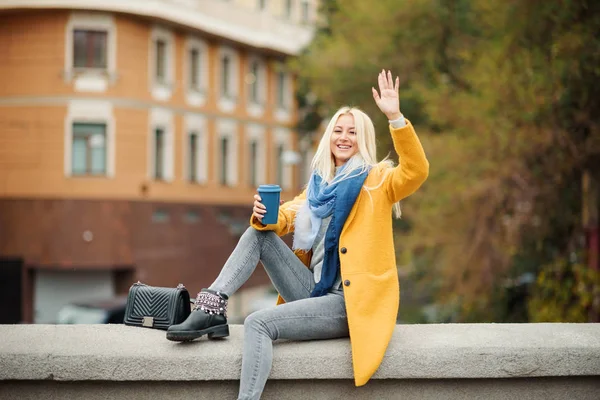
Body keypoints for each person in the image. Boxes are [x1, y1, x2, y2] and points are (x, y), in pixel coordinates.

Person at [166, 69, 429, 399]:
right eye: (338, 130)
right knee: (257, 233)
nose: (344, 137)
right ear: (329, 137)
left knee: (257, 323)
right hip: (315, 292)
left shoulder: (378, 181)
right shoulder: (319, 188)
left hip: (347, 303)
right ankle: (211, 306)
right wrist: (266, 215)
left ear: (363, 140)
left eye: (352, 132)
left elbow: (416, 171)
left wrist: (395, 118)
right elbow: (289, 215)